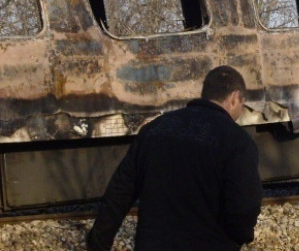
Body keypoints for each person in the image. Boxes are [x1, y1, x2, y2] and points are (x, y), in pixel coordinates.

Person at [86, 65, 263, 251]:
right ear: (235, 98)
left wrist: (99, 242)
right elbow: (245, 204)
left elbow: (119, 193)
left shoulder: (154, 130)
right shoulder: (237, 141)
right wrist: (241, 236)